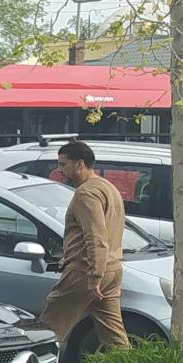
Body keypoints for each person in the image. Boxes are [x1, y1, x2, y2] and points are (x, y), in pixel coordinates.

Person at [41, 141, 129, 352]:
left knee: (48, 329)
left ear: (79, 164)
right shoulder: (108, 187)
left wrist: (94, 276)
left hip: (86, 271)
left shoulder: (86, 193)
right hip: (113, 268)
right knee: (114, 336)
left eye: (63, 164)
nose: (59, 170)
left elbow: (96, 237)